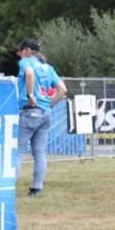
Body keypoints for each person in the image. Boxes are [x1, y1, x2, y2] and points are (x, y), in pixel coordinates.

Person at [16, 38, 67, 197]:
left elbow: (29, 73)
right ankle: (36, 188)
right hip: (45, 114)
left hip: (29, 111)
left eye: (20, 51)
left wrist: (30, 95)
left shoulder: (26, 62)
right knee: (39, 153)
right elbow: (63, 90)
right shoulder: (47, 67)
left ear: (26, 51)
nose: (19, 54)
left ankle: (8, 188)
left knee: (17, 151)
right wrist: (48, 105)